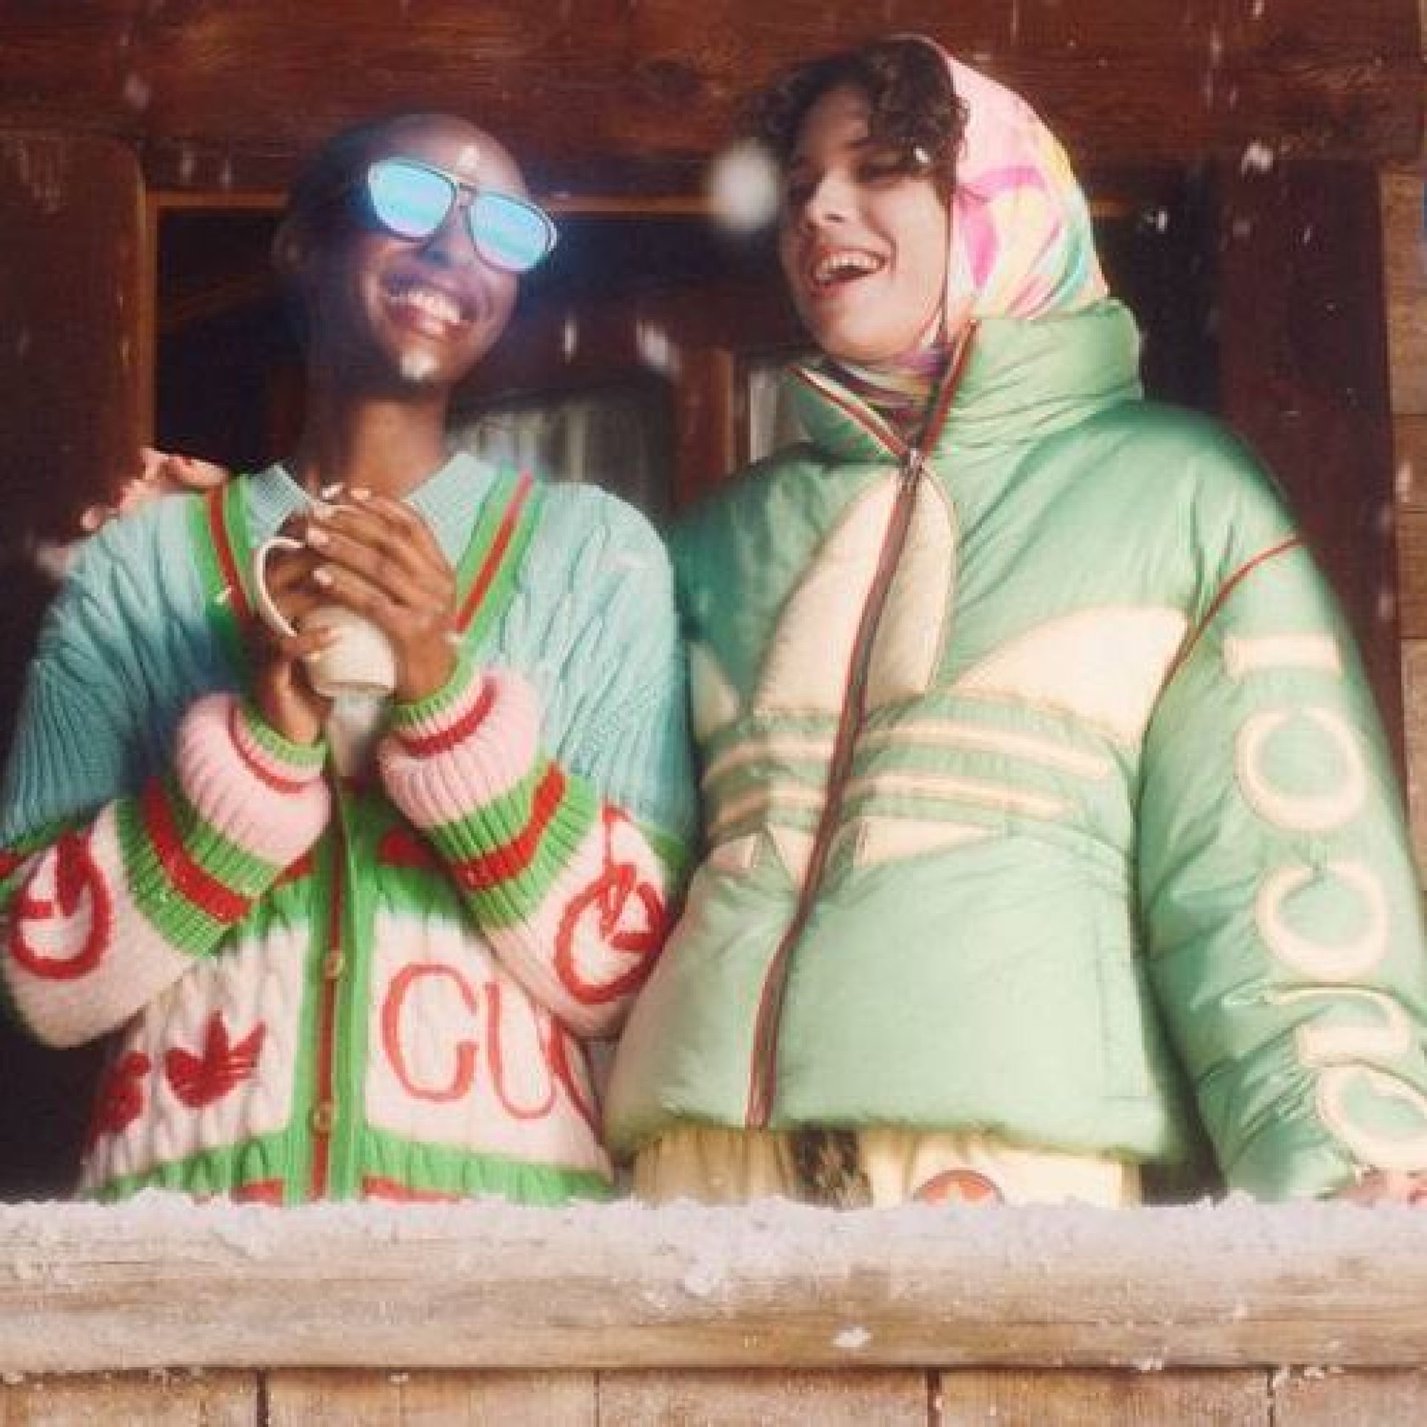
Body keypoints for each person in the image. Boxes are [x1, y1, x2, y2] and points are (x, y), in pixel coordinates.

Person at [603, 35, 1427, 1208]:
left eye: (880, 167)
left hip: (996, 1175)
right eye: (797, 186)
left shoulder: (1174, 492)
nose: (819, 208)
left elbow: (1274, 866)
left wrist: (1351, 1161)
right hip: (693, 1179)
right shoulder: (722, 536)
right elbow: (604, 877)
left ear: (1002, 199)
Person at [0, 112, 693, 1206]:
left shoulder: (596, 556)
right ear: (301, 246)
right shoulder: (144, 565)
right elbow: (40, 979)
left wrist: (443, 699)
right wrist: (256, 748)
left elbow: (623, 978)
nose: (453, 248)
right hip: (179, 1248)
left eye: (501, 228)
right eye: (409, 200)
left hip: (509, 1259)